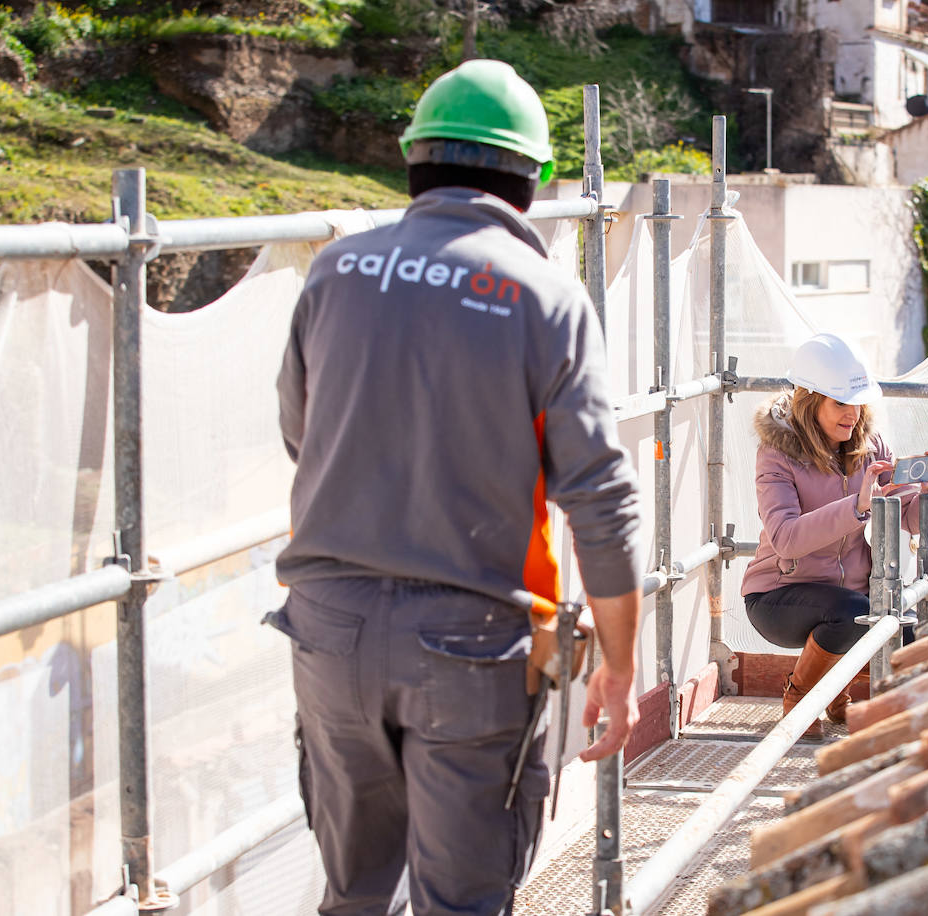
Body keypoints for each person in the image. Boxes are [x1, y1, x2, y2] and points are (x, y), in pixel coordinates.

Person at [267, 59, 644, 916]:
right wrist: (620, 665)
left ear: (414, 161)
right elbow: (599, 497)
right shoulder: (545, 297)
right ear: (532, 180)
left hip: (329, 632)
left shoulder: (336, 273)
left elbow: (302, 435)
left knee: (356, 894)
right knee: (463, 901)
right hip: (469, 646)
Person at [741, 333, 928, 740]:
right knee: (853, 611)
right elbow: (784, 537)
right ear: (808, 400)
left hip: (849, 596)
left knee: (905, 628)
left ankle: (886, 720)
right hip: (777, 597)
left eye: (858, 403)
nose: (852, 415)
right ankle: (801, 699)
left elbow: (910, 518)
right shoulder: (776, 455)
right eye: (840, 403)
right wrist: (857, 507)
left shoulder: (871, 447)